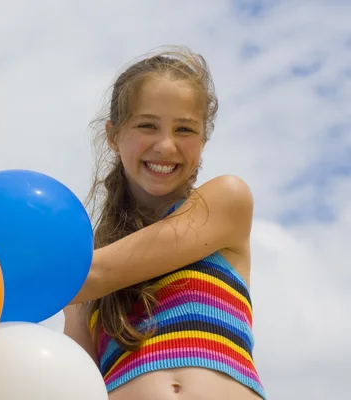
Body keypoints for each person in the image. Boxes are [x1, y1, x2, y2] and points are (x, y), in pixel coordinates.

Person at [63, 46, 266, 400]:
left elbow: (91, 275)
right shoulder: (84, 271)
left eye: (185, 129)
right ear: (113, 136)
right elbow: (79, 382)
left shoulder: (226, 201)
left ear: (203, 140)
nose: (166, 145)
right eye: (147, 125)